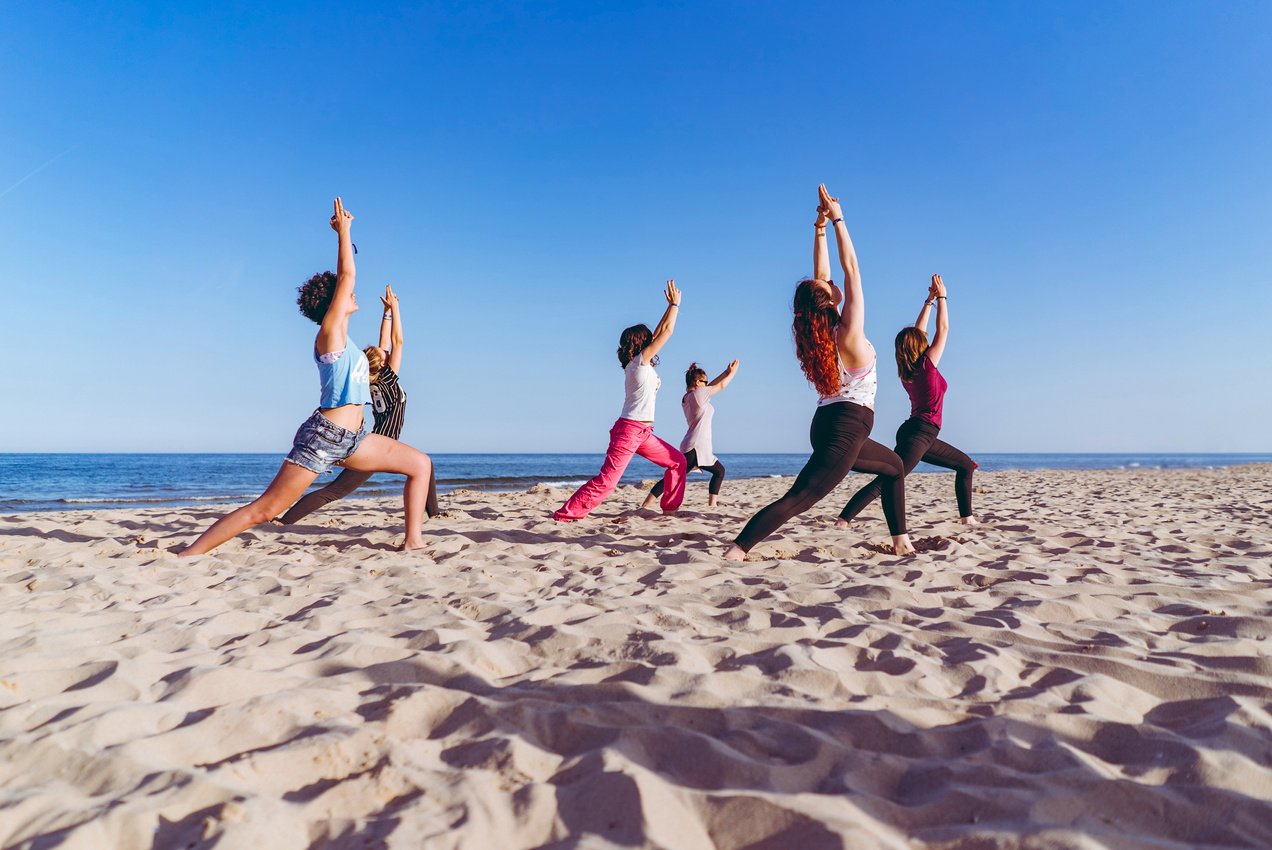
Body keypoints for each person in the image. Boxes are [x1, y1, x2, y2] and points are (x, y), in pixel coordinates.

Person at [178, 198, 434, 555]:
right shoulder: (330, 335)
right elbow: (347, 277)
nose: (353, 293)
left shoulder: (349, 343)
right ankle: (188, 554)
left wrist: (390, 314)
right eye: (345, 295)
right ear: (333, 303)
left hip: (355, 439)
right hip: (325, 437)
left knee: (420, 464)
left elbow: (384, 338)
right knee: (265, 510)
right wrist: (344, 233)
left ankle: (413, 541)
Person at [725, 185, 914, 560]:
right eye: (825, 287)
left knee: (894, 468)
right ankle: (737, 549)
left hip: (831, 423)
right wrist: (840, 218)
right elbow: (852, 270)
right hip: (846, 427)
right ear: (826, 300)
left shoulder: (817, 332)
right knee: (801, 498)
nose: (828, 281)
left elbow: (824, 274)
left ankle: (901, 541)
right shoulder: (848, 333)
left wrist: (820, 228)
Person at [277, 284, 440, 525]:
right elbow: (398, 341)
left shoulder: (372, 377)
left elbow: (385, 343)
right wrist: (396, 308)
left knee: (424, 464)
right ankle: (282, 522)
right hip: (376, 445)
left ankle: (435, 514)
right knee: (334, 491)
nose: (386, 352)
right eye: (384, 355)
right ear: (383, 365)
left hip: (374, 440)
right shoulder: (388, 378)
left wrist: (386, 314)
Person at [837, 274, 979, 527]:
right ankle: (844, 519)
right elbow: (943, 329)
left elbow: (918, 332)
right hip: (920, 434)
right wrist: (943, 297)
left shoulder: (908, 366)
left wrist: (929, 301)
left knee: (965, 465)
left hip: (922, 434)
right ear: (918, 347)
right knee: (889, 478)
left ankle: (967, 518)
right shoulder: (926, 365)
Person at [554, 281, 689, 521]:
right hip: (629, 431)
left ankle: (670, 509)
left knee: (677, 462)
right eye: (648, 340)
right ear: (640, 344)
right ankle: (566, 514)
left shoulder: (639, 363)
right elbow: (666, 333)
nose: (653, 341)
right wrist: (676, 305)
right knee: (607, 482)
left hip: (643, 432)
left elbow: (659, 333)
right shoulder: (638, 363)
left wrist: (668, 307)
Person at [643, 359, 738, 508]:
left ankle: (712, 505)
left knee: (716, 471)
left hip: (697, 445)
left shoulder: (689, 397)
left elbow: (711, 385)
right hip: (696, 447)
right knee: (676, 476)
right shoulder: (698, 396)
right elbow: (720, 385)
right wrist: (732, 374)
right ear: (698, 382)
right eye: (704, 382)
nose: (707, 385)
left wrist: (725, 372)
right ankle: (647, 504)